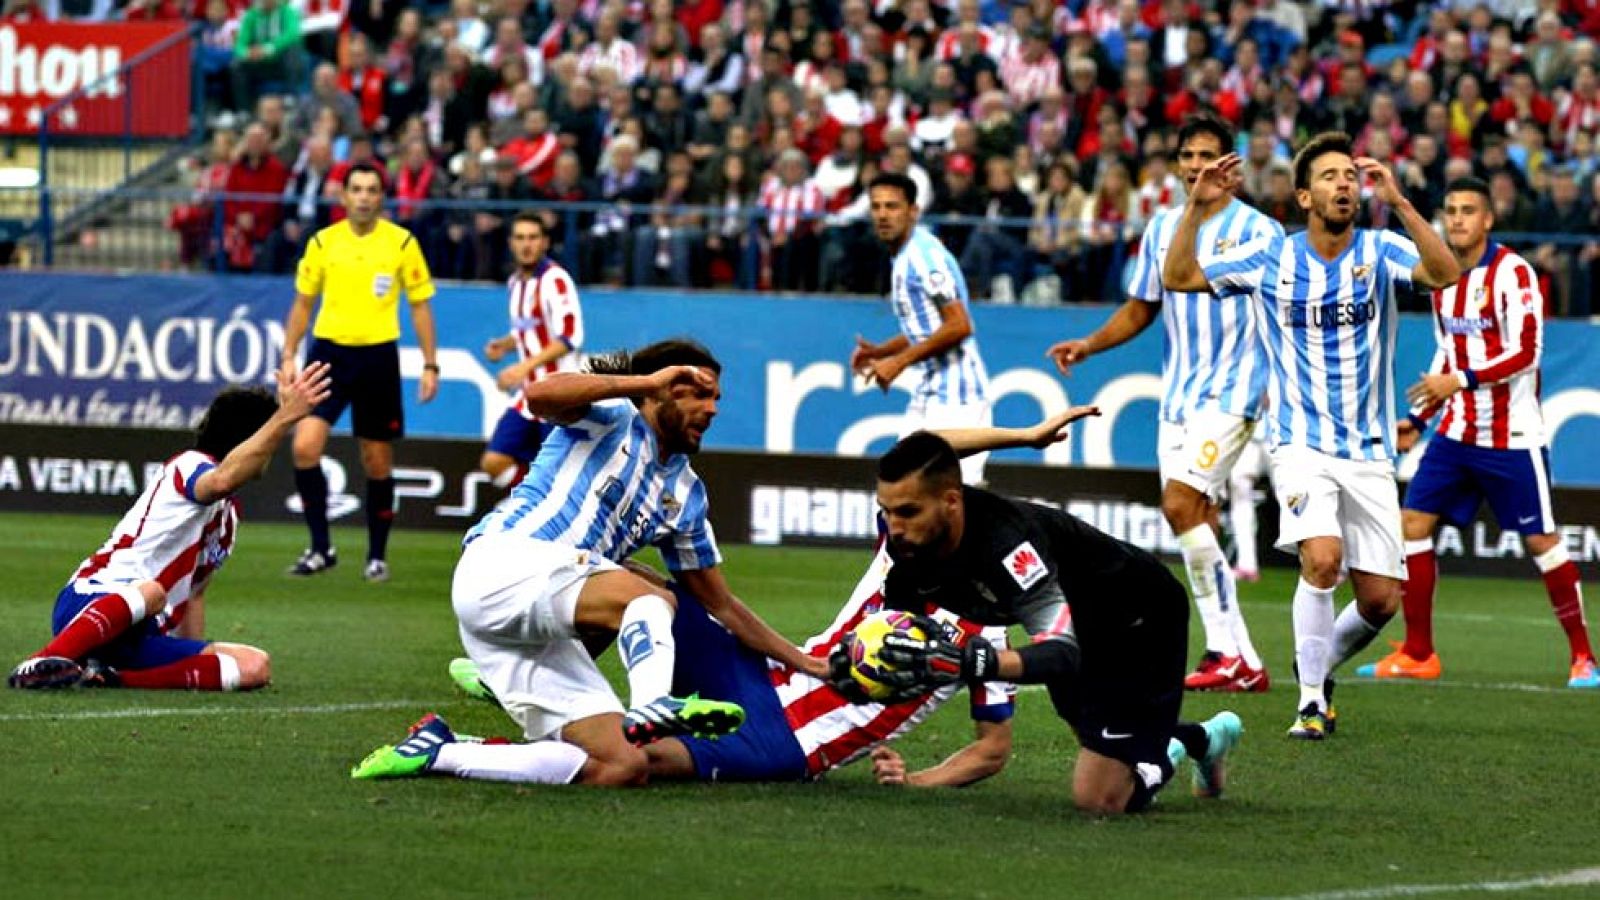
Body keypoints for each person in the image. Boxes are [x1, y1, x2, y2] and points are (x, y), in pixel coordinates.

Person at [351, 341, 827, 787]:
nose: (712, 409)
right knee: (649, 595)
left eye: (717, 398)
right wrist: (641, 384)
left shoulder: (686, 496)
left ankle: (441, 751)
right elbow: (539, 395)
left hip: (532, 626)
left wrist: (810, 664)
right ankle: (652, 704)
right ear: (661, 387)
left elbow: (722, 606)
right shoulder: (611, 416)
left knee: (622, 764)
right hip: (502, 562)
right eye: (699, 393)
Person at [1163, 132, 1461, 739]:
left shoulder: (1380, 250)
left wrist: (1402, 203)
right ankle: (1309, 703)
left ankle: (1315, 663)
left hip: (1371, 450)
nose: (1344, 183)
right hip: (1298, 441)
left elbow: (1443, 271)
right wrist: (1197, 205)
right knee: (1322, 560)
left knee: (1381, 602)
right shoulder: (1271, 257)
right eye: (1329, 176)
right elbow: (1179, 275)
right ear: (1304, 196)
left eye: (1350, 175)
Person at [827, 429, 1243, 815]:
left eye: (907, 511)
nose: (893, 527)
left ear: (951, 501)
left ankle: (1174, 746)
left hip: (1136, 618)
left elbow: (1062, 652)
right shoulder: (910, 543)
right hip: (1070, 627)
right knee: (1097, 739)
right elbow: (899, 634)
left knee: (1098, 798)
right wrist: (871, 679)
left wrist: (972, 662)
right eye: (886, 511)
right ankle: (1194, 739)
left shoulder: (1008, 543)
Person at [1047, 116, 1281, 693]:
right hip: (1179, 395)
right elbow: (1141, 307)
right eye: (1188, 155)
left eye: (1210, 155)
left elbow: (1275, 312)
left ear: (1233, 166)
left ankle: (1225, 649)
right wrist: (1090, 344)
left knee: (1180, 505)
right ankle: (1241, 661)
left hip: (1234, 392)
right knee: (1194, 517)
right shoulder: (1161, 229)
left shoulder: (1260, 233)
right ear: (1177, 164)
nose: (1198, 165)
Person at [1360, 178, 1599, 690]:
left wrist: (1461, 380)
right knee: (1414, 525)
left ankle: (1584, 657)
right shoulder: (1443, 274)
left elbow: (1527, 353)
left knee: (1542, 541)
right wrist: (1420, 420)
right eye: (1451, 210)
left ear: (1488, 219)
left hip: (1512, 436)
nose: (1459, 219)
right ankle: (1420, 652)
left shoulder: (1514, 274)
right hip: (1455, 432)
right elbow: (1449, 351)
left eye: (1469, 210)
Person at [7, 364, 332, 691]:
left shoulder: (229, 518)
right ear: (247, 441)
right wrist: (284, 417)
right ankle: (43, 661)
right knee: (152, 591)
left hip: (140, 635)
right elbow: (222, 480)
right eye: (267, 441)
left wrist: (196, 652)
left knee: (254, 666)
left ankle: (107, 678)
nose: (270, 453)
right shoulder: (191, 465)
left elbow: (194, 595)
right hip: (90, 604)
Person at [280, 163, 441, 583]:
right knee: (304, 446)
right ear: (344, 196)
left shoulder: (402, 243)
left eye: (372, 190)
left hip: (377, 359)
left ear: (381, 197)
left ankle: (376, 556)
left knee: (376, 460)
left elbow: (421, 306)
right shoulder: (322, 243)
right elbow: (302, 303)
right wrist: (288, 355)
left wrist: (429, 363)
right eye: (357, 189)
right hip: (328, 355)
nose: (364, 197)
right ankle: (320, 549)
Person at [850, 172, 993, 485]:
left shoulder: (923, 258)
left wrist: (898, 362)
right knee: (901, 487)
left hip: (958, 397)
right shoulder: (904, 255)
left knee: (955, 502)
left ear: (913, 211)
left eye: (892, 206)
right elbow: (928, 327)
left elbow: (959, 324)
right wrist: (882, 351)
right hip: (931, 392)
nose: (883, 215)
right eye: (876, 207)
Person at [479, 212, 584, 490]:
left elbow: (570, 336)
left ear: (545, 243)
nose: (527, 244)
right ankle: (533, 502)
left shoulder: (555, 280)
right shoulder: (515, 283)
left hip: (559, 396)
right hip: (529, 396)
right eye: (520, 238)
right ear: (511, 243)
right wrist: (505, 344)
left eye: (533, 238)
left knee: (560, 478)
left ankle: (543, 508)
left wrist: (522, 367)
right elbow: (530, 330)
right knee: (494, 461)